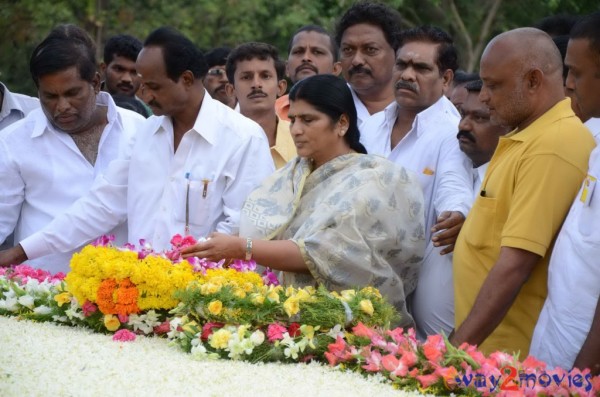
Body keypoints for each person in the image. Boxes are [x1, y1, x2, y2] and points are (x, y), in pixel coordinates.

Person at [0, 27, 274, 268]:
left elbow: (243, 230)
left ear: (187, 80)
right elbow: (100, 206)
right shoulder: (146, 134)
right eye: (143, 86)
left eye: (154, 86)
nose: (144, 95)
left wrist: (175, 274)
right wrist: (21, 252)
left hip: (205, 304)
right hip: (139, 302)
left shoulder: (243, 138)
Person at [181, 74, 425, 328]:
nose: (296, 130)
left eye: (308, 120)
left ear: (341, 123)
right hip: (283, 323)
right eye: (293, 119)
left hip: (350, 328)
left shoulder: (373, 180)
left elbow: (324, 254)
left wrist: (242, 248)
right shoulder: (292, 175)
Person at [451, 28, 595, 356]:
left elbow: (516, 265)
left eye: (493, 85)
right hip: (485, 351)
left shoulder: (553, 145)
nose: (483, 96)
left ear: (533, 81)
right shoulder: (528, 135)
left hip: (508, 361)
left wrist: (453, 352)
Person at [0, 25, 145, 273]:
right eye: (50, 97)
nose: (62, 106)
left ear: (96, 82)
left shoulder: (138, 130)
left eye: (72, 93)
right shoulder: (12, 142)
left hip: (128, 295)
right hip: (43, 300)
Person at [381, 26, 472, 340]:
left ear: (446, 79)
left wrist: (457, 212)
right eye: (401, 65)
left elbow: (454, 184)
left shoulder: (451, 132)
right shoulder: (370, 126)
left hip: (428, 268)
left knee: (430, 355)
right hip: (369, 268)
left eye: (420, 68)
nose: (407, 75)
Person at [530, 12, 600, 375]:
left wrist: (582, 375)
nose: (568, 84)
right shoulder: (595, 143)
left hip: (581, 365)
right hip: (557, 342)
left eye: (575, 72)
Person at [335, 1, 403, 145]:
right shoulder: (327, 107)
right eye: (348, 50)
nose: (357, 60)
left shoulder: (417, 111)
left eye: (370, 49)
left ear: (397, 53)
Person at [225, 42, 294, 168]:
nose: (256, 84)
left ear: (280, 87)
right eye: (246, 77)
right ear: (231, 90)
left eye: (265, 76)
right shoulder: (219, 142)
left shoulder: (301, 139)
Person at [276, 25, 342, 121]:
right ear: (287, 68)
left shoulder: (351, 110)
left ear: (335, 69)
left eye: (317, 52)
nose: (306, 58)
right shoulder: (270, 113)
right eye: (298, 52)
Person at [456, 79, 509, 197]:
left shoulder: (510, 184)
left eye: (478, 118)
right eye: (463, 114)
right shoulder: (451, 165)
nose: (463, 125)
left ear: (507, 126)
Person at [101, 34, 150, 117]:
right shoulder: (83, 105)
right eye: (119, 69)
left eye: (134, 72)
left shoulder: (149, 116)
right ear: (103, 68)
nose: (127, 79)